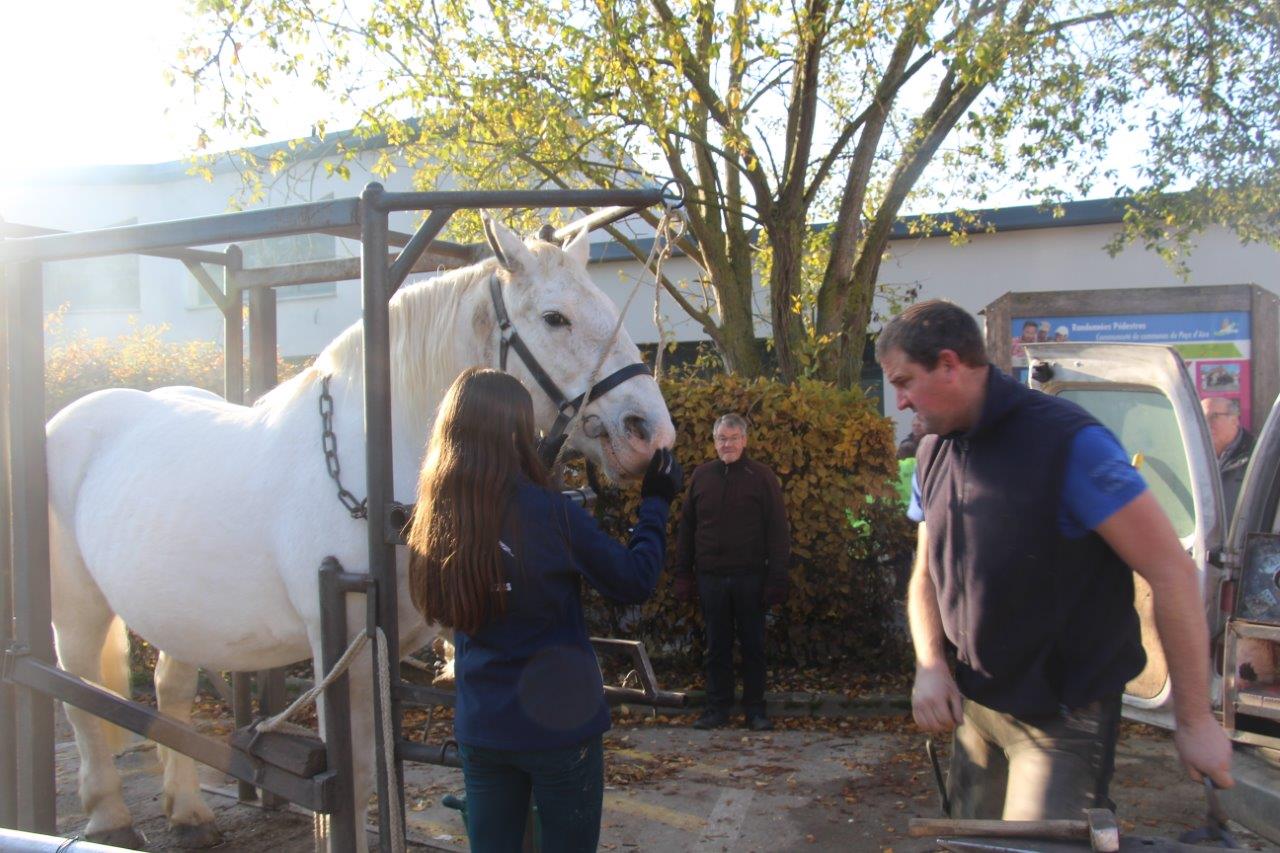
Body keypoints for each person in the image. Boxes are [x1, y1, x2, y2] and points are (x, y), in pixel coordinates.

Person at [876, 299, 1233, 821]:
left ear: (951, 364)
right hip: (977, 710)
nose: (900, 401)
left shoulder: (1068, 444)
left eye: (905, 381)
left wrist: (1195, 720)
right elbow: (925, 569)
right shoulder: (933, 451)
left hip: (1063, 719)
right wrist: (931, 663)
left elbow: (1172, 572)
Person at [406, 368, 682, 852]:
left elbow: (438, 608)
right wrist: (655, 504)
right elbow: (634, 579)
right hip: (561, 731)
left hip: (483, 726)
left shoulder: (436, 516)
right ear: (516, 432)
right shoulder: (552, 513)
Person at [673, 413, 790, 731]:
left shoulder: (761, 477)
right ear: (714, 442)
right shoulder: (701, 476)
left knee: (753, 646)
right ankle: (717, 709)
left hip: (751, 577)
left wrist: (777, 578)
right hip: (710, 578)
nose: (727, 444)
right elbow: (687, 528)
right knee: (716, 646)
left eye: (733, 437)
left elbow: (778, 530)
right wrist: (683, 574)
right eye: (721, 438)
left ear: (745, 440)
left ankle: (755, 711)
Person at [1201, 396, 1255, 518]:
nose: (1206, 424)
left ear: (1234, 420)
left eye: (1213, 417)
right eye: (1201, 419)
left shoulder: (1258, 456)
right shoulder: (1191, 457)